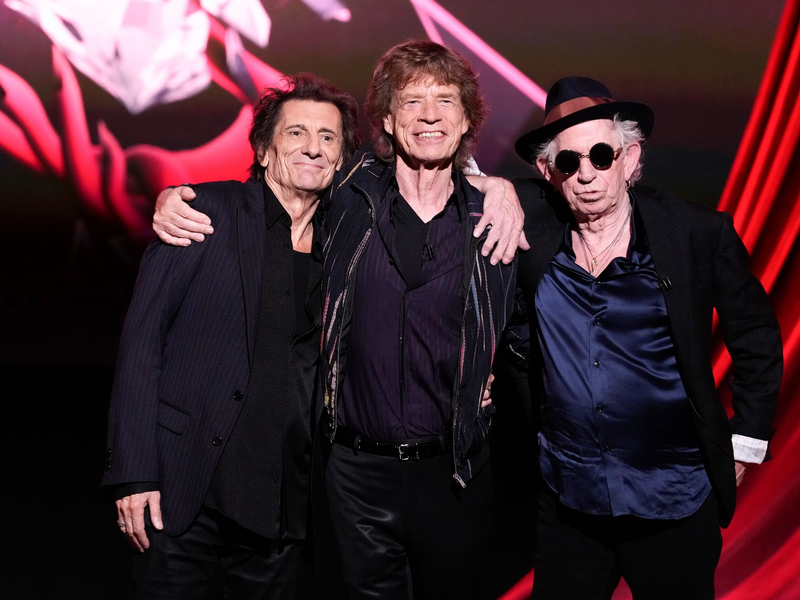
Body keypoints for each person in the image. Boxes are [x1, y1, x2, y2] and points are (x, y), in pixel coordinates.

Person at [152, 40, 523, 600]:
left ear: (467, 118)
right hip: (354, 475)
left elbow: (525, 321)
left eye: (445, 100)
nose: (429, 114)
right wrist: (174, 198)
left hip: (455, 473)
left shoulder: (493, 219)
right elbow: (278, 186)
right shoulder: (347, 198)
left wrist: (504, 187)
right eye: (411, 101)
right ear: (389, 122)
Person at [511, 76, 783, 600]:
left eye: (601, 155)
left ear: (631, 158)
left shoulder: (693, 232)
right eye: (569, 163)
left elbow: (755, 336)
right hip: (569, 502)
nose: (586, 174)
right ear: (549, 172)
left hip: (674, 500)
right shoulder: (534, 238)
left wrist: (744, 445)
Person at [101, 72, 361, 599]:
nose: (313, 147)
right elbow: (141, 347)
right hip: (181, 494)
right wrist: (132, 473)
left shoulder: (347, 243)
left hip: (284, 506)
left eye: (328, 138)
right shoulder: (204, 213)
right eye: (296, 133)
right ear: (263, 151)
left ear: (339, 160)